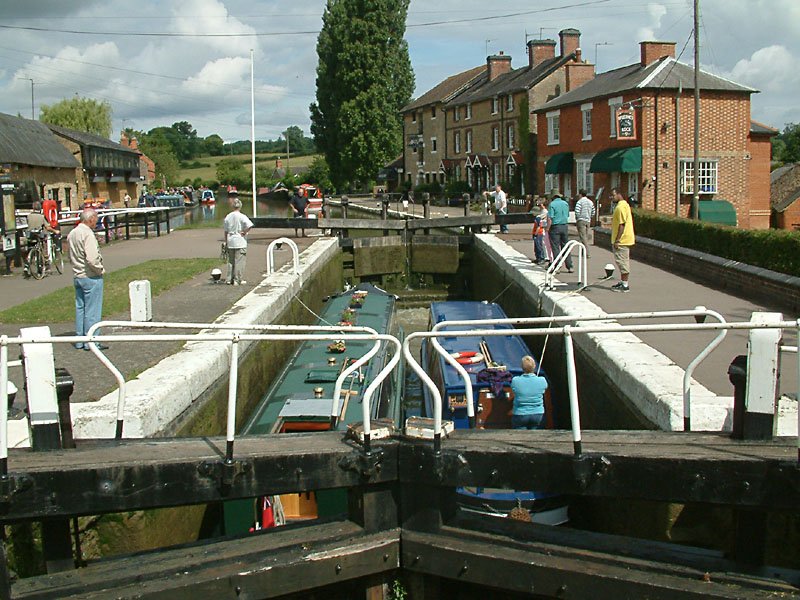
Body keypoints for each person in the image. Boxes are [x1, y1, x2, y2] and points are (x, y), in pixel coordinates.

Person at [67, 208, 106, 350]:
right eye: (96, 219)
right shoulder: (88, 234)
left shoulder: (72, 233)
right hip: (90, 276)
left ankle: (80, 339)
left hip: (78, 275)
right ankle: (92, 341)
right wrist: (100, 269)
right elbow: (92, 258)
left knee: (80, 308)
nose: (96, 222)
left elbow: (69, 255)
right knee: (92, 310)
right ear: (90, 219)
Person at [510, 355, 548, 430]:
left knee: (521, 436)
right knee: (536, 436)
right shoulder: (542, 380)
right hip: (538, 415)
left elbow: (514, 390)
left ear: (522, 367)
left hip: (520, 414)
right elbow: (544, 389)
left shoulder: (515, 380)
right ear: (534, 366)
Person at [25, 201, 60, 276]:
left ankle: (26, 265)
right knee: (43, 248)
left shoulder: (29, 216)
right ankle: (43, 265)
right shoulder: (41, 217)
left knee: (30, 249)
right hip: (38, 235)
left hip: (30, 235)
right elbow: (47, 227)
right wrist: (55, 231)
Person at [610, 187, 635, 292]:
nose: (612, 197)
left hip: (622, 240)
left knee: (622, 262)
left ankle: (625, 285)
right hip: (625, 239)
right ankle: (622, 281)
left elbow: (622, 225)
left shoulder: (620, 208)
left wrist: (617, 240)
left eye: (613, 195)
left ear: (619, 194)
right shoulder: (625, 205)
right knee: (621, 261)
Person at [223, 197, 253, 285]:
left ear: (232, 206)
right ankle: (238, 279)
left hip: (231, 239)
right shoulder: (242, 216)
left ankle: (229, 279)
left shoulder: (228, 216)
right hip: (240, 240)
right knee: (239, 261)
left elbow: (226, 231)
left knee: (231, 261)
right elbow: (249, 225)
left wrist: (226, 241)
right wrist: (245, 232)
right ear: (240, 206)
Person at [547, 190, 573, 272]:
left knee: (555, 247)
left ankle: (557, 266)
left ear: (553, 197)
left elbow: (550, 218)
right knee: (565, 246)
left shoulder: (552, 204)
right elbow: (567, 215)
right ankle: (570, 266)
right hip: (564, 226)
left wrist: (547, 228)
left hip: (555, 226)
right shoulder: (565, 204)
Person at [574, 189, 595, 258]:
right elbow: (593, 211)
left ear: (580, 194)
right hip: (588, 220)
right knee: (584, 236)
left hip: (581, 220)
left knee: (583, 237)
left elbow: (577, 211)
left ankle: (587, 253)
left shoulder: (580, 202)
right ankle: (583, 252)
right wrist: (590, 217)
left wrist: (577, 218)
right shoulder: (590, 202)